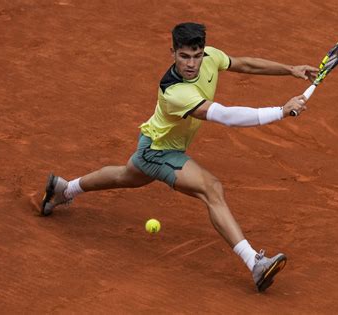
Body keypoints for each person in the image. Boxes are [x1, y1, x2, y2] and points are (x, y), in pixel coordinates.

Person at [41, 22, 318, 292]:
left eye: (197, 56)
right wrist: (280, 111)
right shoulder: (175, 92)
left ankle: (66, 189)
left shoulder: (211, 57)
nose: (191, 63)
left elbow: (243, 64)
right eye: (184, 56)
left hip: (150, 141)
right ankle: (255, 263)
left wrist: (289, 70)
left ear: (204, 52)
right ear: (171, 53)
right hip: (160, 151)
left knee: (127, 176)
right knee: (211, 189)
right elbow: (225, 116)